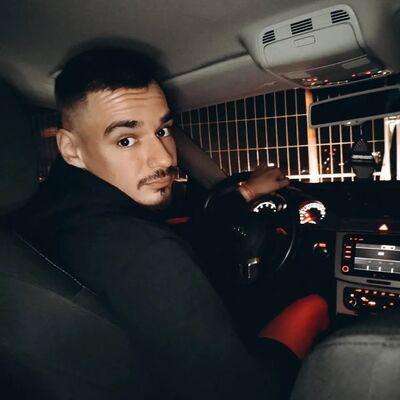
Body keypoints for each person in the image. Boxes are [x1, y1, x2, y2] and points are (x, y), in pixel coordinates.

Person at [9, 47, 328, 399]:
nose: (163, 158)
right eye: (126, 140)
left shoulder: (34, 222)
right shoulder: (145, 251)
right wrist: (312, 313)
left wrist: (247, 192)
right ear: (71, 149)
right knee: (313, 305)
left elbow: (193, 233)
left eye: (162, 131)